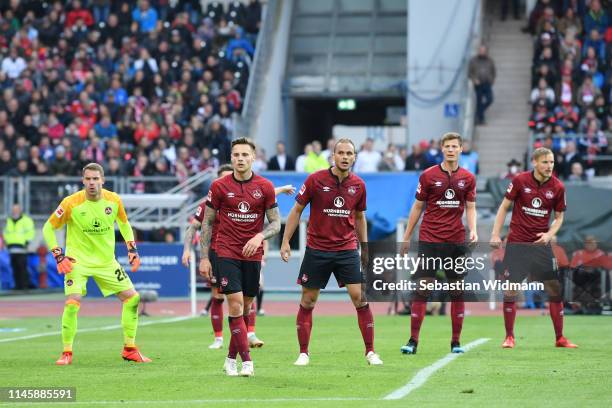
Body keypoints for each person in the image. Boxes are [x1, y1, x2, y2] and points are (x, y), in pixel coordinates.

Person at [280, 138, 383, 367]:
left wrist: (364, 246)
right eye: (341, 153)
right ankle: (303, 353)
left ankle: (370, 352)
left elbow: (359, 217)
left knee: (360, 297)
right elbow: (296, 210)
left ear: (355, 157)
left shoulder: (359, 185)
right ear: (333, 156)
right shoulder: (315, 180)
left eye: (349, 153)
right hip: (317, 249)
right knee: (308, 300)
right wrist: (286, 240)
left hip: (346, 249)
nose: (345, 157)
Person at [43, 163, 150, 365]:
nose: (92, 183)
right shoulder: (70, 203)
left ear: (103, 180)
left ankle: (130, 349)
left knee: (133, 299)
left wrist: (132, 249)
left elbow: (124, 224)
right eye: (88, 179)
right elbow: (48, 228)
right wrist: (58, 255)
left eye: (95, 179)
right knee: (72, 303)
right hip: (78, 261)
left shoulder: (114, 200)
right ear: (83, 181)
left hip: (106, 262)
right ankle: (67, 353)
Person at [182, 164, 294, 350]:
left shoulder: (247, 193)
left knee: (246, 297)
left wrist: (281, 190)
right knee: (218, 295)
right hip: (218, 252)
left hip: (245, 251)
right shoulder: (209, 203)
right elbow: (194, 226)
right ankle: (219, 339)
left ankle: (249, 334)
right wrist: (188, 249)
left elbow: (260, 193)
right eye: (224, 178)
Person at [198, 138, 281, 377]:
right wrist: (205, 257)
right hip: (226, 251)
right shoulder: (219, 186)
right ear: (231, 158)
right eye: (236, 155)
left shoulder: (264, 186)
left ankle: (229, 359)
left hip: (252, 254)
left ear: (253, 157)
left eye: (245, 155)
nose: (240, 158)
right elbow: (208, 223)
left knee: (244, 309)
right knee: (234, 304)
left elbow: (276, 223)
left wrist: (259, 237)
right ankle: (247, 362)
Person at [490, 147, 577, 349]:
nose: (549, 166)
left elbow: (559, 217)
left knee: (554, 289)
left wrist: (549, 234)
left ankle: (560, 338)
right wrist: (495, 233)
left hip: (541, 246)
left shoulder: (558, 187)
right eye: (545, 162)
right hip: (518, 243)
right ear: (535, 163)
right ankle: (509, 337)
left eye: (552, 162)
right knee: (511, 289)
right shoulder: (520, 180)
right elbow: (504, 207)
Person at [399, 132, 477, 355]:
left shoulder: (468, 178)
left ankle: (456, 342)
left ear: (461, 149)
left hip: (455, 241)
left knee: (457, 291)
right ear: (442, 149)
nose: (451, 149)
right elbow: (417, 207)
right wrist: (406, 237)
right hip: (430, 239)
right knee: (423, 289)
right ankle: (413, 341)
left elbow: (470, 207)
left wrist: (472, 229)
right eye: (448, 146)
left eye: (455, 146)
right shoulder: (428, 175)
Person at [2, 204, 35, 290]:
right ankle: (17, 286)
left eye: (16, 209)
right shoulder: (9, 221)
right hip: (11, 248)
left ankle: (24, 286)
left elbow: (30, 232)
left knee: (22, 268)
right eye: (14, 209)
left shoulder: (26, 220)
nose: (15, 211)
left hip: (22, 248)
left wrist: (26, 242)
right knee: (14, 268)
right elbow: (6, 232)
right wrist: (6, 242)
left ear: (20, 210)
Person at [468, 45, 496, 125]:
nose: (482, 52)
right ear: (478, 51)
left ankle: (478, 112)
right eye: (480, 50)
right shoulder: (473, 61)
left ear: (486, 51)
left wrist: (492, 80)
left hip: (487, 83)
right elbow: (470, 73)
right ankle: (481, 119)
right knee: (479, 102)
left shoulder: (490, 61)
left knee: (490, 99)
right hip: (478, 84)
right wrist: (474, 79)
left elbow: (493, 71)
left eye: (483, 50)